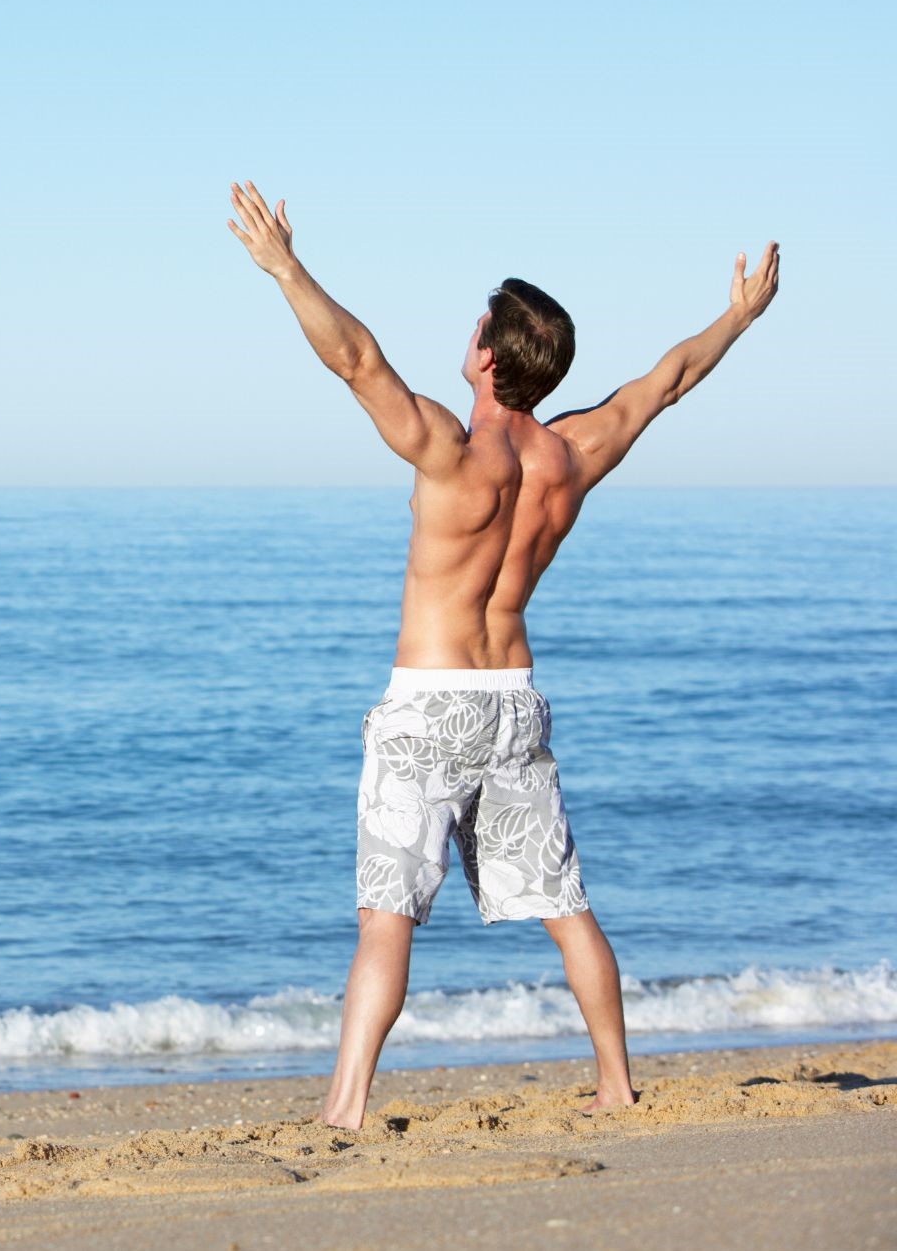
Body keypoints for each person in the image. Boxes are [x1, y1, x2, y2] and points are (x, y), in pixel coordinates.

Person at [223, 180, 780, 1127]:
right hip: (513, 701)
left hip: (429, 703)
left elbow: (356, 361)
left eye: (476, 326)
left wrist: (285, 267)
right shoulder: (573, 454)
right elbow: (669, 380)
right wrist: (739, 315)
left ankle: (346, 1108)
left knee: (385, 916)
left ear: (487, 352)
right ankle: (614, 1081)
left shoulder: (448, 448)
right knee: (564, 903)